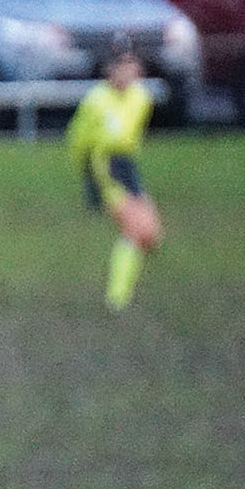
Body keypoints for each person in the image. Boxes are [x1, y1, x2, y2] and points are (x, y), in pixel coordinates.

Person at [67, 37, 161, 312]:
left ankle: (120, 289)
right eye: (121, 64)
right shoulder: (96, 102)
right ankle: (117, 297)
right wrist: (89, 179)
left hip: (127, 166)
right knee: (136, 227)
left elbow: (132, 138)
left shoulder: (141, 98)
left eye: (131, 63)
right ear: (109, 69)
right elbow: (77, 141)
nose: (128, 70)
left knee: (151, 234)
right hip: (103, 165)